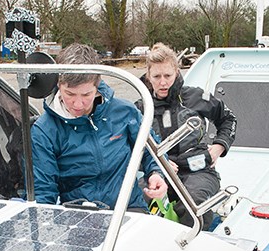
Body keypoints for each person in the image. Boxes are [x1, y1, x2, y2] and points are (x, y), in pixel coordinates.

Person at [31, 43, 167, 210]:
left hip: (128, 208)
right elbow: (43, 190)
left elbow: (152, 150)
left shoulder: (125, 112)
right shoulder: (44, 130)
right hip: (78, 213)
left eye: (86, 94)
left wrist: (156, 174)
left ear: (97, 86)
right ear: (59, 84)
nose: (78, 103)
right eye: (70, 94)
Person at [136, 42, 237, 229]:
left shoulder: (195, 97)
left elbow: (229, 119)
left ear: (176, 71)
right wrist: (154, 164)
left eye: (167, 75)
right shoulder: (140, 108)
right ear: (148, 76)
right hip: (158, 173)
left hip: (198, 170)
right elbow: (130, 148)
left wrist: (218, 147)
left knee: (193, 208)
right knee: (136, 205)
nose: (163, 82)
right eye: (157, 76)